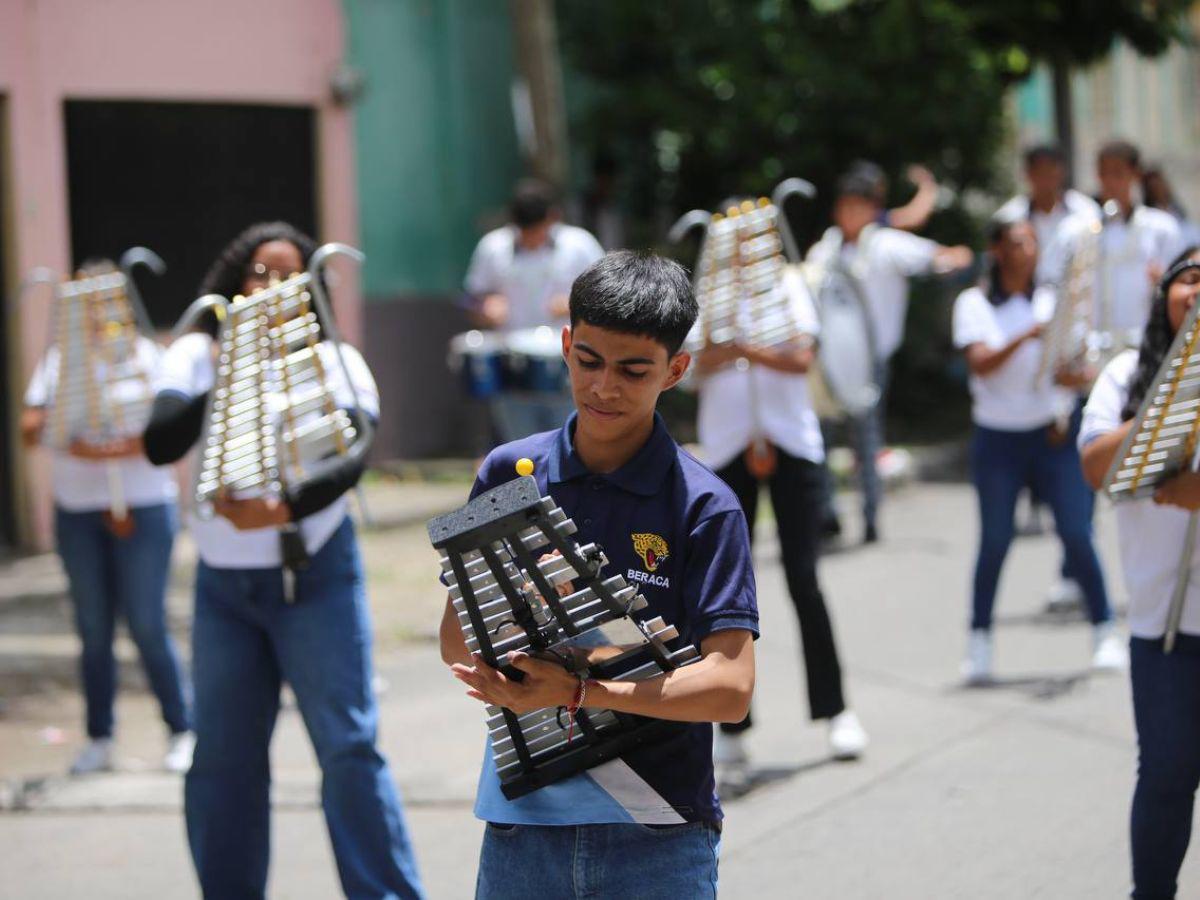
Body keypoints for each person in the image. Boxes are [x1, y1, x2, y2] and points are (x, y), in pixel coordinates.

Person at [440, 251, 758, 899]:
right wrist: (519, 663)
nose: (604, 386)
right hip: (520, 826)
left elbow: (729, 687)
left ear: (675, 370)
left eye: (633, 370)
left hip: (657, 828)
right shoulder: (507, 475)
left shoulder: (703, 505)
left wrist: (579, 689)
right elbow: (456, 639)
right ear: (565, 343)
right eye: (588, 361)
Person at [143, 222, 424, 899]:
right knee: (222, 760)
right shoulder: (195, 352)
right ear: (236, 282)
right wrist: (233, 368)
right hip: (225, 590)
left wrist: (283, 508)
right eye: (258, 274)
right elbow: (159, 442)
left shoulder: (335, 360)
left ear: (309, 290)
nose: (270, 286)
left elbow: (355, 452)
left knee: (350, 749)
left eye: (287, 276)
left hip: (317, 574)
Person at [21, 264, 193, 776]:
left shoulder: (147, 358)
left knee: (146, 622)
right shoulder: (60, 362)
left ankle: (182, 727)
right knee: (93, 629)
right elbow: (31, 427)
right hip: (78, 512)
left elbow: (164, 433)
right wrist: (66, 429)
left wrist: (117, 448)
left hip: (142, 506)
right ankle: (99, 736)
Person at [693, 269, 866, 773]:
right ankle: (732, 727)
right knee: (724, 592)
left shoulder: (786, 284)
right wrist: (733, 351)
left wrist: (743, 350)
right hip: (728, 446)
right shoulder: (708, 293)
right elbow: (691, 367)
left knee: (803, 578)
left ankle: (836, 710)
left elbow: (801, 357)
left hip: (790, 443)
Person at [953, 217, 1125, 682]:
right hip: (997, 438)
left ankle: (1105, 629)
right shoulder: (973, 304)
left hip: (1051, 436)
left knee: (1076, 530)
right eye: (1016, 242)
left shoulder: (1054, 301)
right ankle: (979, 642)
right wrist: (1028, 335)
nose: (1027, 249)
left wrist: (1072, 379)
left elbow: (1072, 370)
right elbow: (981, 364)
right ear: (997, 250)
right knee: (994, 541)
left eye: (1031, 241)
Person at [1078, 247, 1200, 900]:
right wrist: (1173, 399)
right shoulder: (1127, 373)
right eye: (1190, 278)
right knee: (1168, 773)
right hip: (1166, 625)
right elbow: (1095, 467)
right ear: (1165, 296)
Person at [807, 161, 973, 542]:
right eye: (845, 206)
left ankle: (869, 517)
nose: (850, 214)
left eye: (858, 206)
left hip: (870, 362)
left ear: (871, 209)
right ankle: (827, 513)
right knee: (820, 438)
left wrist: (955, 261)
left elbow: (940, 256)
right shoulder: (828, 247)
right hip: (827, 362)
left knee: (866, 439)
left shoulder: (885, 243)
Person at [464, 178, 604, 442]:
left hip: (567, 360)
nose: (530, 239)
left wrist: (577, 303)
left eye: (536, 231)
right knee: (521, 446)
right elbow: (472, 297)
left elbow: (612, 296)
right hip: (512, 361)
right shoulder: (493, 247)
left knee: (571, 440)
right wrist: (485, 307)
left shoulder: (580, 245)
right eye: (523, 231)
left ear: (553, 219)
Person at [1058, 140, 1183, 343]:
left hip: (1143, 344)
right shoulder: (1076, 228)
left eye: (1117, 173)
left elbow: (1178, 284)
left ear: (1135, 174)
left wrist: (1163, 281)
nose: (1109, 181)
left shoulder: (1162, 228)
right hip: (1092, 345)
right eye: (1103, 173)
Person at [996, 143, 1101, 288]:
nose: (1045, 178)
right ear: (1027, 174)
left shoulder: (1087, 212)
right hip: (1027, 300)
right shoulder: (1009, 216)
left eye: (1051, 170)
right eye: (1039, 171)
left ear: (1061, 172)